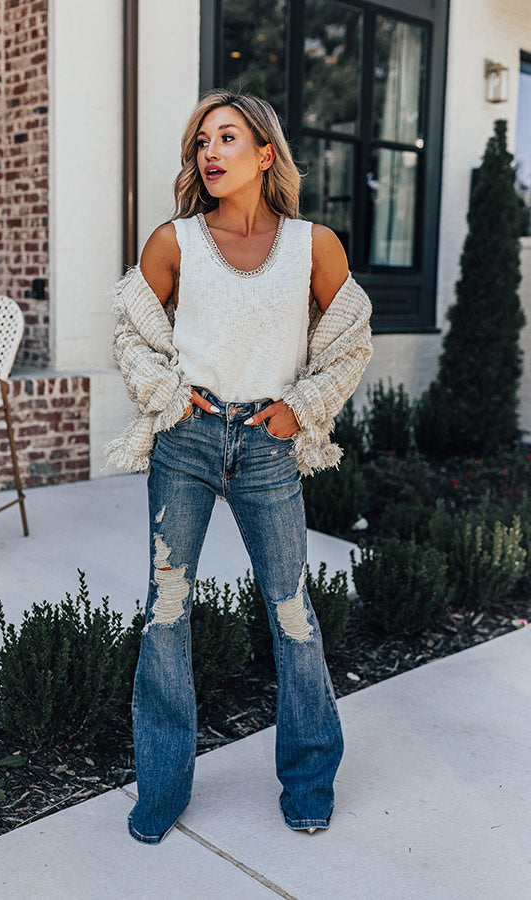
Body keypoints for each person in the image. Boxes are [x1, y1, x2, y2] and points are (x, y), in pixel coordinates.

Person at [105, 90, 373, 845]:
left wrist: (302, 406)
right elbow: (132, 332)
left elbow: (350, 339)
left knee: (292, 614)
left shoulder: (314, 246)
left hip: (267, 446)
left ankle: (310, 781)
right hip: (187, 443)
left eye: (227, 137)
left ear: (265, 153)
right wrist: (168, 394)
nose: (210, 153)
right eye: (201, 142)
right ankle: (161, 791)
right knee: (166, 615)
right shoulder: (174, 242)